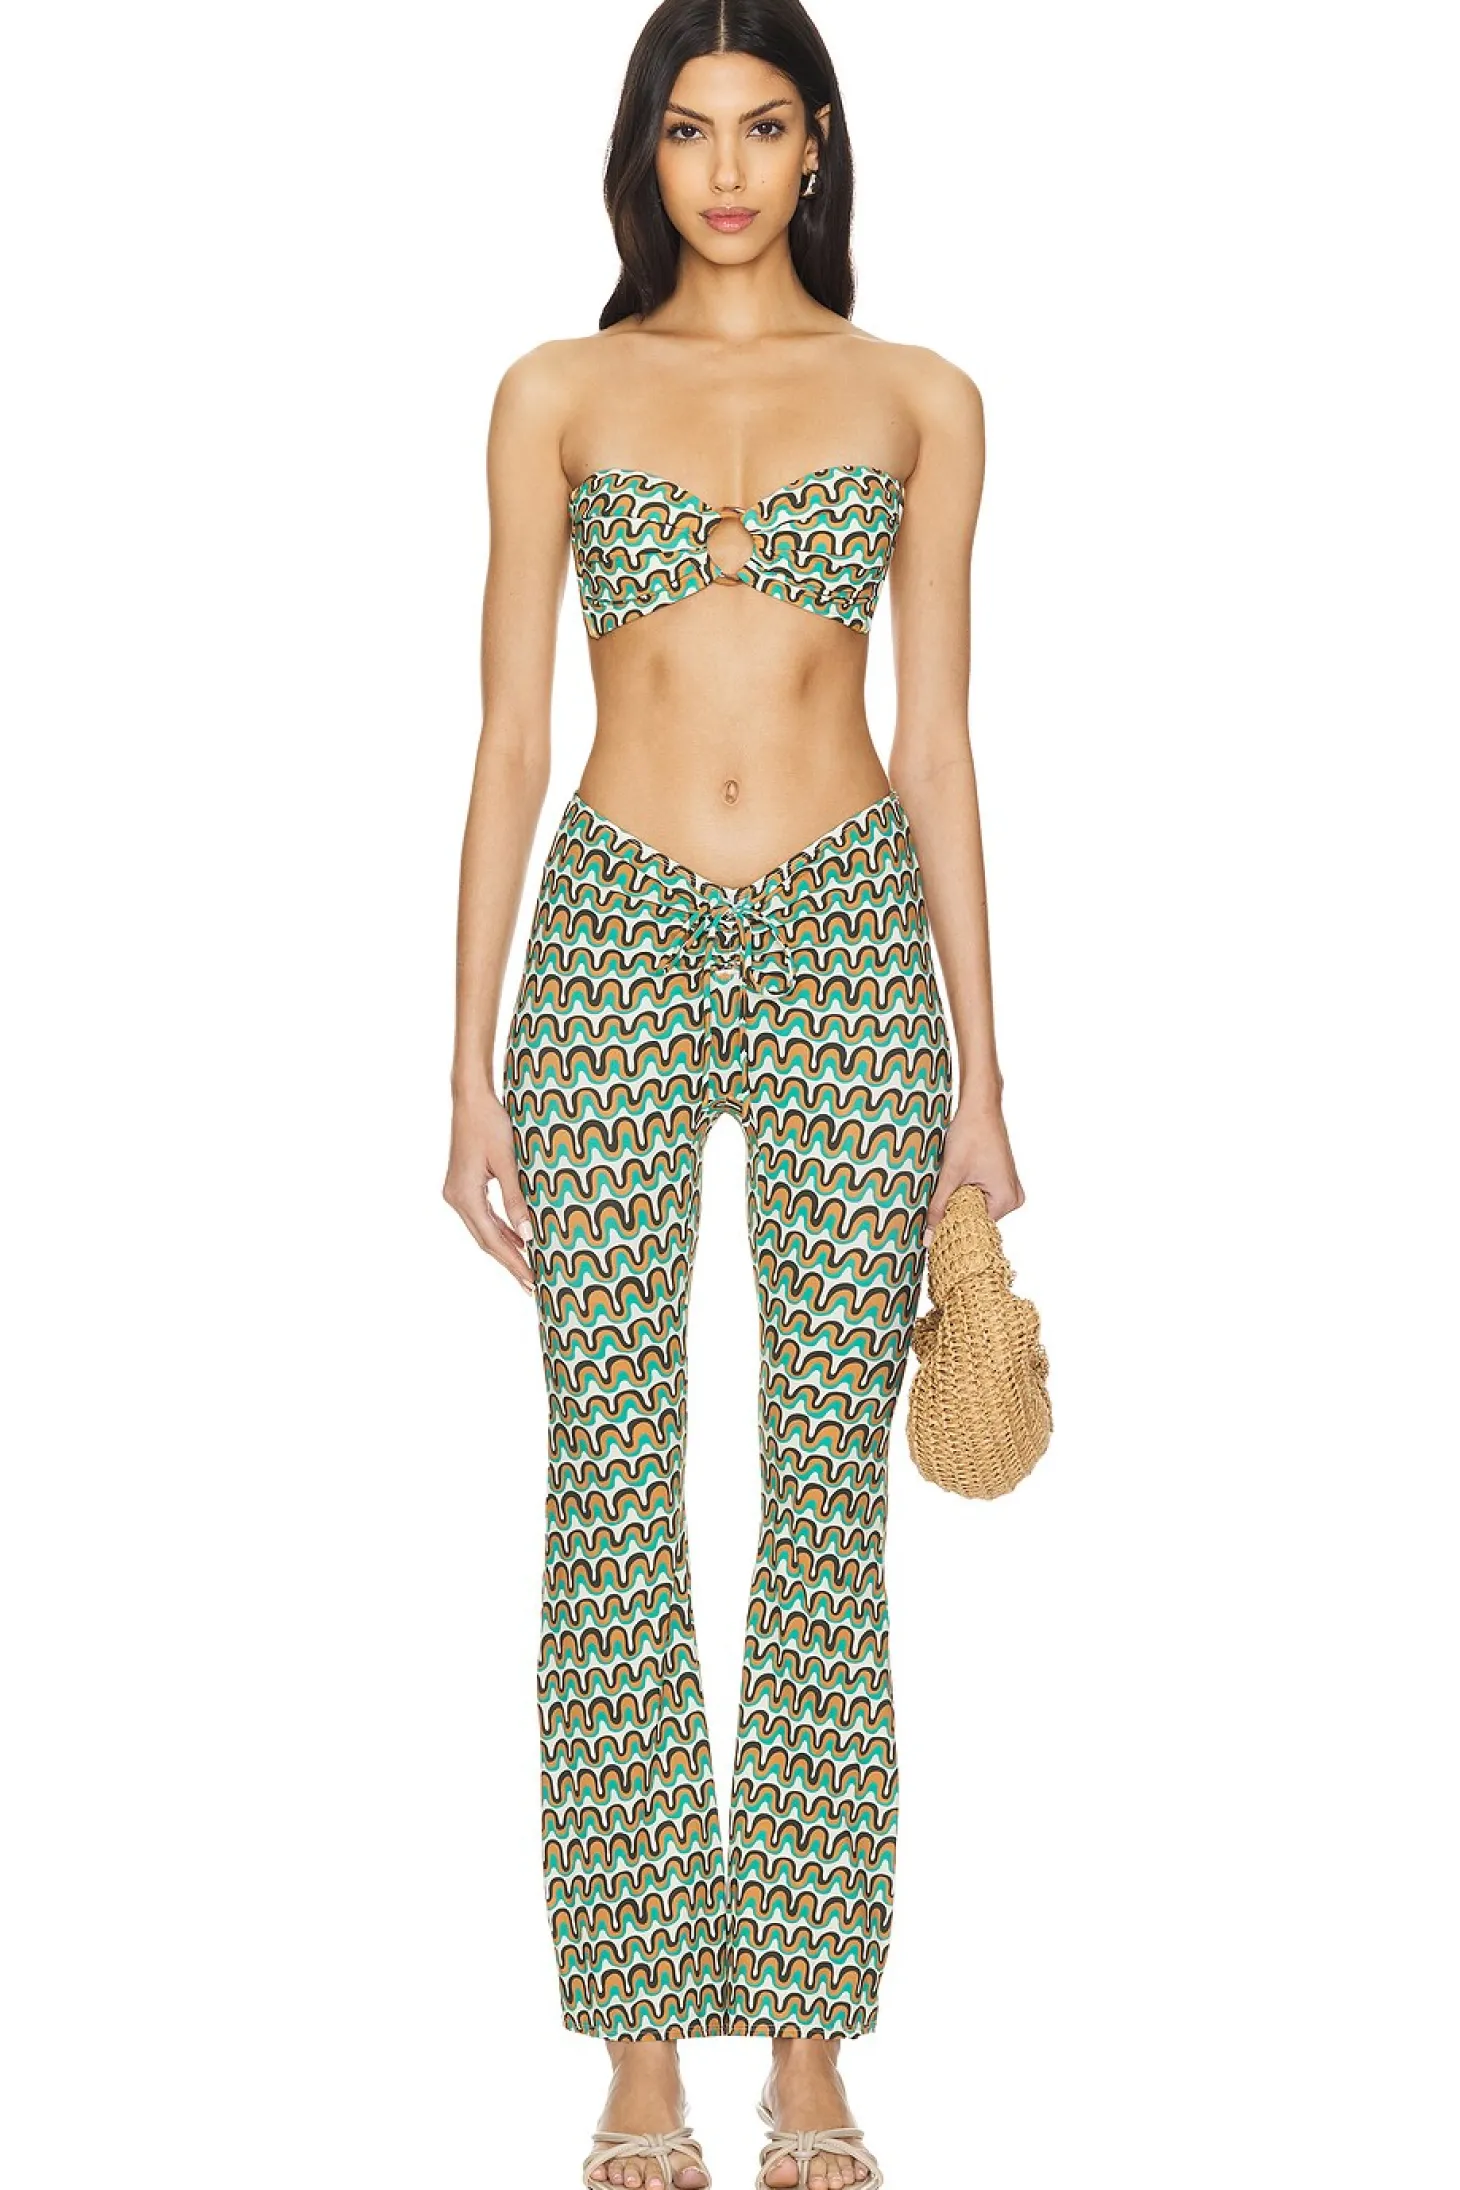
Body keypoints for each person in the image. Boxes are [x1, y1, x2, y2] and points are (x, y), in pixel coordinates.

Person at [443, 3, 1023, 2184]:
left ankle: (805, 2046)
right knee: (607, 1483)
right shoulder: (555, 393)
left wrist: (983, 1076)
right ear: (645, 152)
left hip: (846, 926)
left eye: (761, 127)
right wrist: (464, 1060)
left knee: (823, 1504)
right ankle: (637, 2055)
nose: (722, 169)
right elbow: (510, 736)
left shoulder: (919, 397)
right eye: (686, 130)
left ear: (817, 147)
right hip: (607, 925)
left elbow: (941, 742)